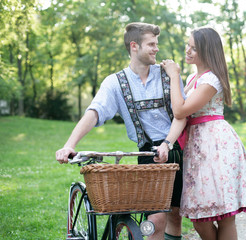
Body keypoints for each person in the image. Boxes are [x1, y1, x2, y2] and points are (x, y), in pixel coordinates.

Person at [55, 22, 186, 240]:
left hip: (176, 150)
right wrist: (70, 144)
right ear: (134, 46)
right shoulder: (115, 82)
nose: (157, 49)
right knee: (156, 220)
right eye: (151, 44)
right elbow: (94, 113)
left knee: (176, 214)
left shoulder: (168, 75)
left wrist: (167, 144)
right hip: (148, 156)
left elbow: (180, 115)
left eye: (157, 44)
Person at [160, 27, 246, 240]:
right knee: (199, 216)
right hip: (197, 148)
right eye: (188, 45)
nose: (187, 50)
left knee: (223, 214)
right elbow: (181, 114)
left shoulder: (211, 80)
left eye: (194, 48)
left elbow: (180, 110)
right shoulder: (194, 77)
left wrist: (174, 75)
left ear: (207, 51)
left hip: (216, 146)